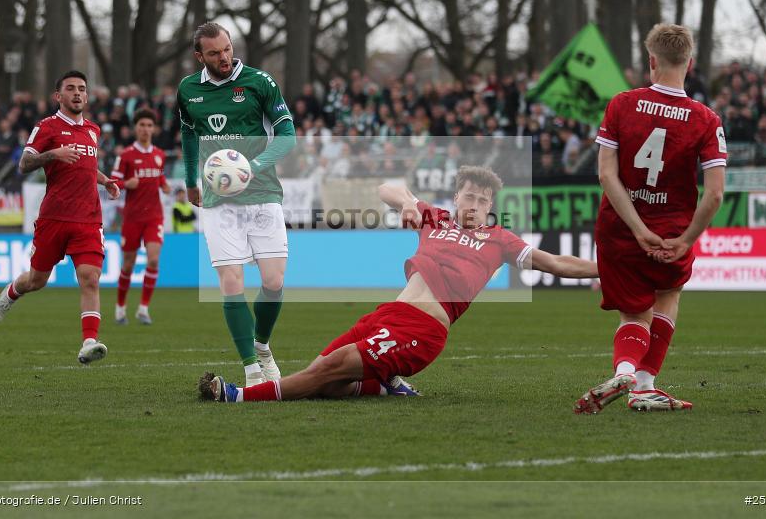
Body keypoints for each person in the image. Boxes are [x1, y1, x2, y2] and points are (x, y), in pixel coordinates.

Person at [198, 166, 598, 403]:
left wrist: (604, 269)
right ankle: (385, 387)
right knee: (327, 384)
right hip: (389, 314)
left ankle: (237, 397)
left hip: (423, 330)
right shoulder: (436, 218)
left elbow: (558, 262)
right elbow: (385, 188)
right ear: (456, 197)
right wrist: (407, 201)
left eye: (482, 200)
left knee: (325, 368)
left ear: (490, 206)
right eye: (469, 197)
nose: (474, 205)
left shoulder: (500, 240)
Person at [575, 24, 726, 414]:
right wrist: (687, 239)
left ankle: (626, 370)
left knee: (633, 313)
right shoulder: (706, 119)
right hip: (673, 229)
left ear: (652, 61)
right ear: (689, 64)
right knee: (667, 297)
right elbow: (714, 194)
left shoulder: (622, 104)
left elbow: (606, 175)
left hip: (620, 228)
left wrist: (638, 229)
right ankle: (643, 385)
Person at [177, 22, 297, 386]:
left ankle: (262, 345)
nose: (224, 57)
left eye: (227, 49)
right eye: (214, 53)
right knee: (231, 282)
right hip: (219, 202)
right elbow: (187, 133)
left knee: (274, 282)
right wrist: (190, 180)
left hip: (263, 195)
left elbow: (287, 134)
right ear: (200, 56)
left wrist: (252, 167)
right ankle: (251, 369)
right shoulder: (188, 89)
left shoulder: (261, 82)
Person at [0, 70, 120, 364]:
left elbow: (85, 165)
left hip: (88, 218)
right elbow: (24, 163)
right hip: (54, 217)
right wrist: (53, 154)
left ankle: (89, 342)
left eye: (82, 89)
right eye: (71, 88)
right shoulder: (47, 126)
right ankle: (11, 292)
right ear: (58, 96)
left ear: (86, 96)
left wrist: (105, 180)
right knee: (37, 280)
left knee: (90, 278)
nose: (77, 93)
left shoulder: (93, 130)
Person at [110, 109, 171, 325]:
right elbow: (112, 184)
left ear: (153, 129)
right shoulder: (125, 156)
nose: (145, 129)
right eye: (142, 125)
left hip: (154, 216)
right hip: (132, 218)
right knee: (128, 265)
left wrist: (164, 185)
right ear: (135, 128)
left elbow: (160, 174)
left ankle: (143, 308)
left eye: (149, 125)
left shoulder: (159, 155)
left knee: (153, 259)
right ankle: (120, 308)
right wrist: (126, 184)